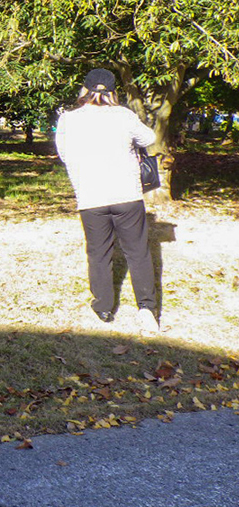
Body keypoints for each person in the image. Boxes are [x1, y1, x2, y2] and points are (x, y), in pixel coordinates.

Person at [55, 68, 159, 331]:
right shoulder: (124, 115)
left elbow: (64, 155)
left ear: (84, 90)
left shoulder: (69, 120)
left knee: (98, 253)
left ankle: (103, 308)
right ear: (113, 91)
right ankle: (146, 308)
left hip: (91, 196)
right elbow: (150, 138)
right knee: (138, 252)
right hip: (127, 194)